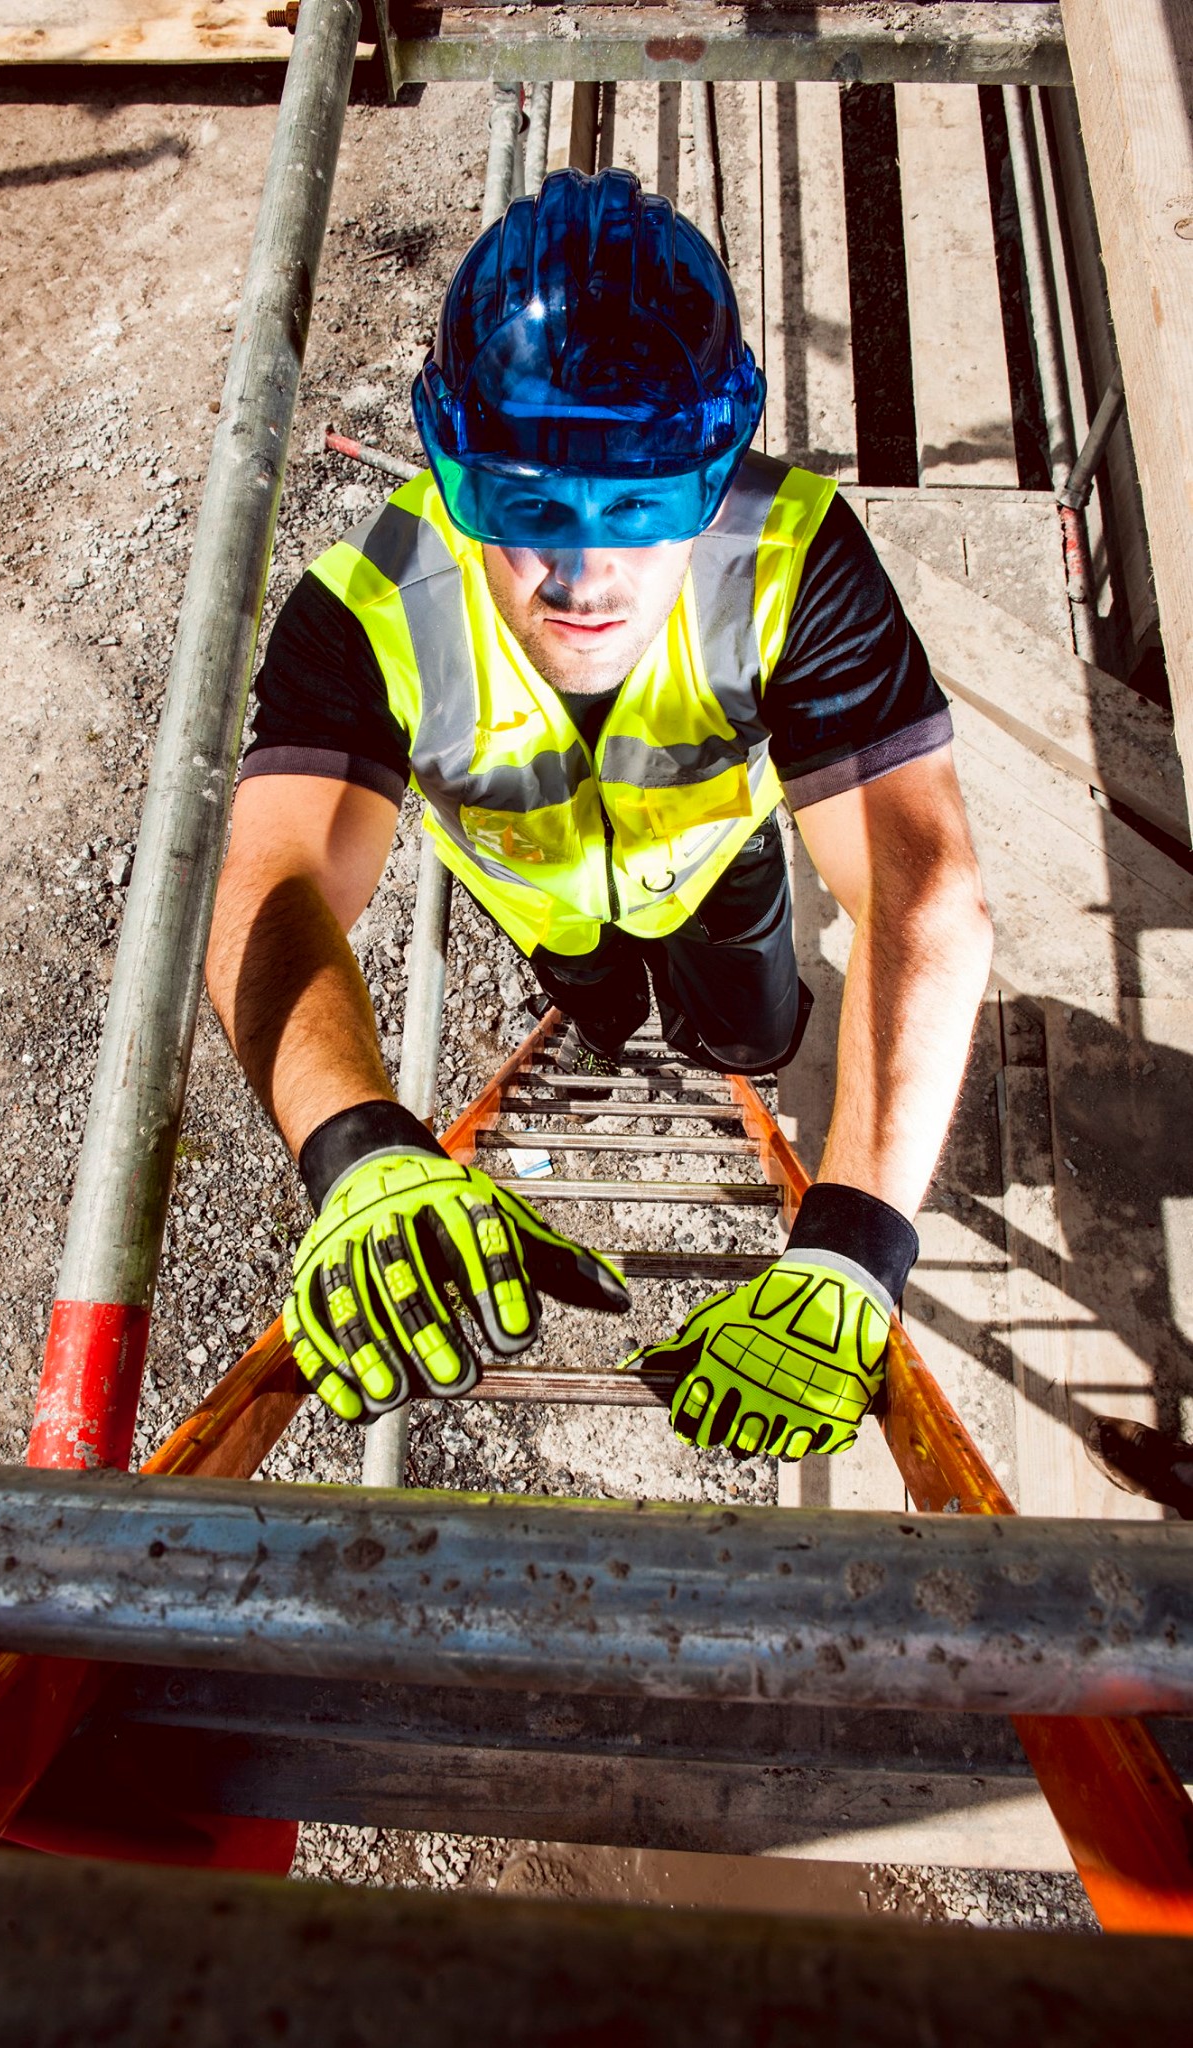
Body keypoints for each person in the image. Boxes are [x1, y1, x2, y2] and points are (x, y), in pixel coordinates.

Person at [205, 168, 993, 1463]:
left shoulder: (792, 556)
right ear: (453, 474)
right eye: (526, 502)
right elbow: (269, 877)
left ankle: (719, 1046)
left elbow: (925, 891)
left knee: (749, 1028)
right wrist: (353, 1146)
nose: (579, 577)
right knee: (610, 1011)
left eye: (636, 502)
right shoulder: (367, 602)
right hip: (548, 910)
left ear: (710, 467)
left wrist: (854, 1241)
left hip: (716, 879)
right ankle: (635, 1031)